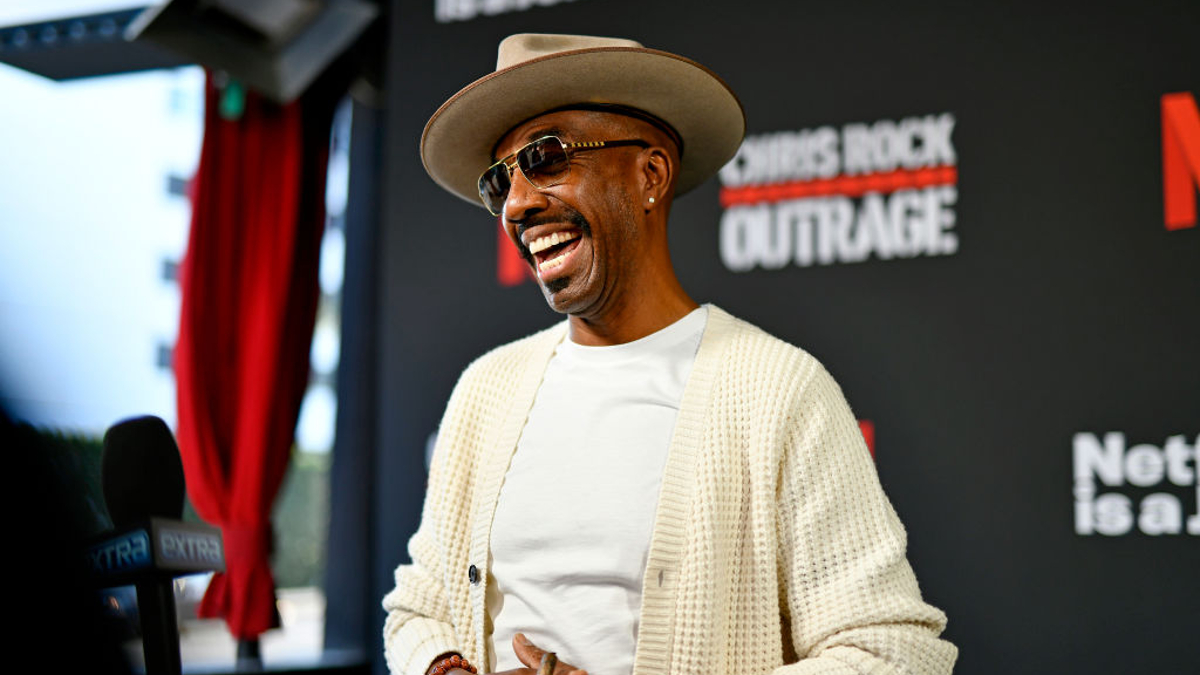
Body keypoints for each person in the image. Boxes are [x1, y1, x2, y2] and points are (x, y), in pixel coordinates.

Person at [383, 33, 957, 675]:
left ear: (650, 174)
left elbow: (894, 653)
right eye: (501, 180)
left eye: (547, 157)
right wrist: (446, 668)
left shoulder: (777, 389)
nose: (517, 204)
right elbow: (420, 607)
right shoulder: (486, 388)